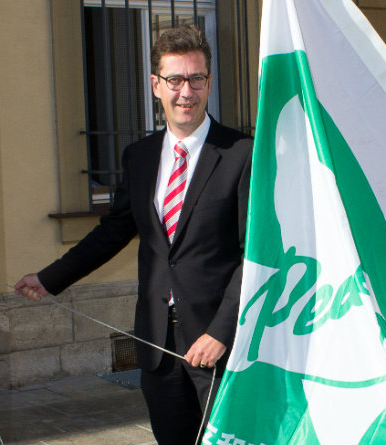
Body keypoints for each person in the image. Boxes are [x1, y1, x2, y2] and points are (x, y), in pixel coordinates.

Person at [14, 25, 252, 445]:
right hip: (157, 344)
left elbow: (254, 253)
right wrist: (50, 279)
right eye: (175, 80)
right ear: (155, 85)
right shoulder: (140, 156)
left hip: (221, 347)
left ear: (209, 83)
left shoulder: (242, 153)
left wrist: (221, 333)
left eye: (197, 79)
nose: (186, 92)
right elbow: (114, 231)